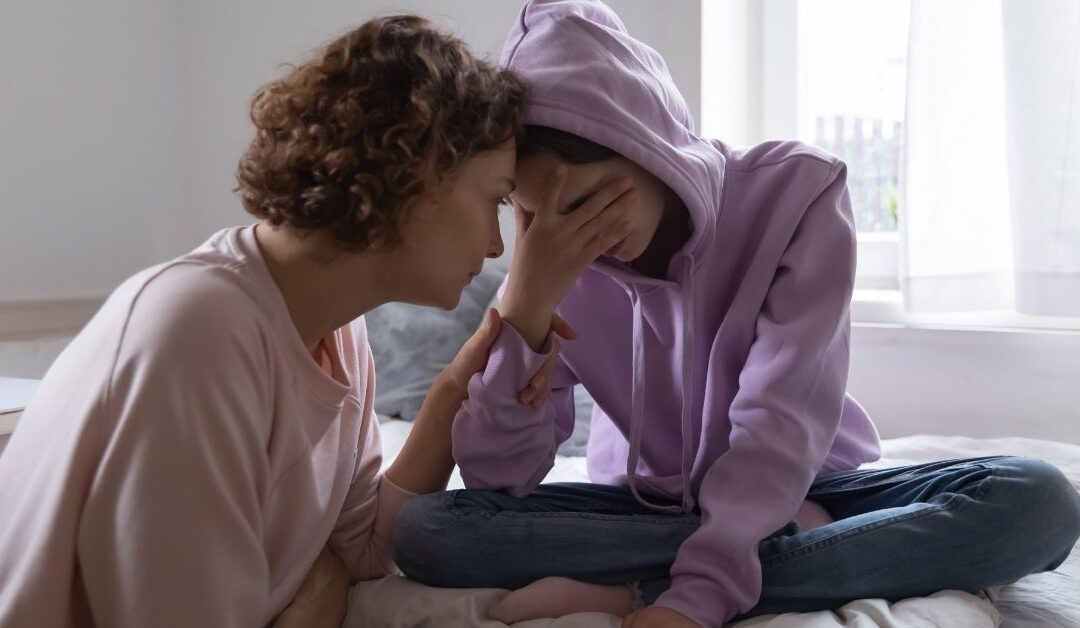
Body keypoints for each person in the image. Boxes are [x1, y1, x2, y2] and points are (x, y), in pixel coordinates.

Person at [392, 2, 1080, 627]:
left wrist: (692, 599)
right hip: (644, 505)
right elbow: (498, 481)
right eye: (534, 213)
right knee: (427, 531)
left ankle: (636, 584)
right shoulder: (552, 261)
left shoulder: (798, 197)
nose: (576, 237)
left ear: (647, 145)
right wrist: (524, 314)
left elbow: (776, 426)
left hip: (812, 482)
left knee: (1040, 501)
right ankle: (781, 555)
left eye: (595, 202)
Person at [0, 15, 593, 627]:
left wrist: (450, 394)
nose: (497, 247)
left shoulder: (338, 332)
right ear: (415, 172)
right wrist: (316, 602)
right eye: (494, 200)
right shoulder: (198, 332)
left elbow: (362, 550)